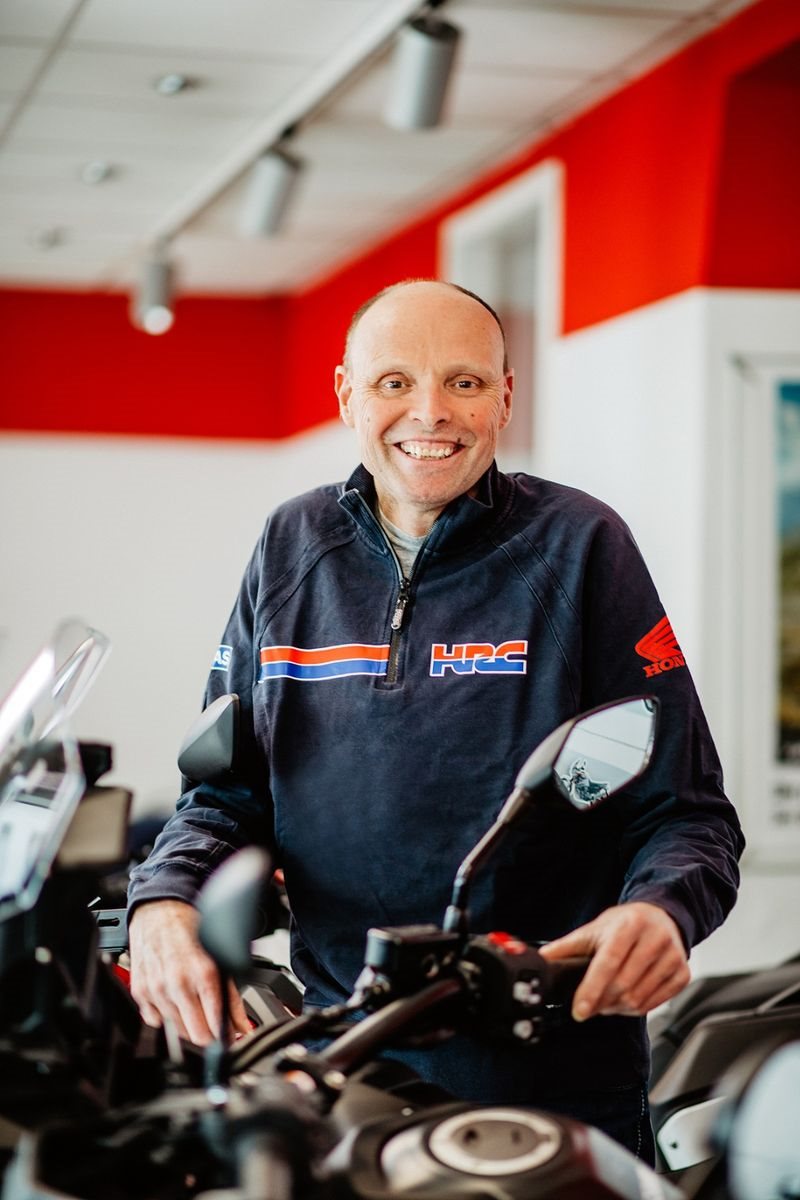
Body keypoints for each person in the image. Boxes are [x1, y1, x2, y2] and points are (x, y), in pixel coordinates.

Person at [127, 279, 743, 1162]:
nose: (430, 413)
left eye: (463, 381)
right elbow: (224, 796)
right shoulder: (291, 547)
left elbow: (688, 811)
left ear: (504, 396)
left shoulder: (579, 545)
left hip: (552, 1079)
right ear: (346, 395)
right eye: (394, 383)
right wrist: (164, 902)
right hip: (343, 1065)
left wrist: (660, 912)